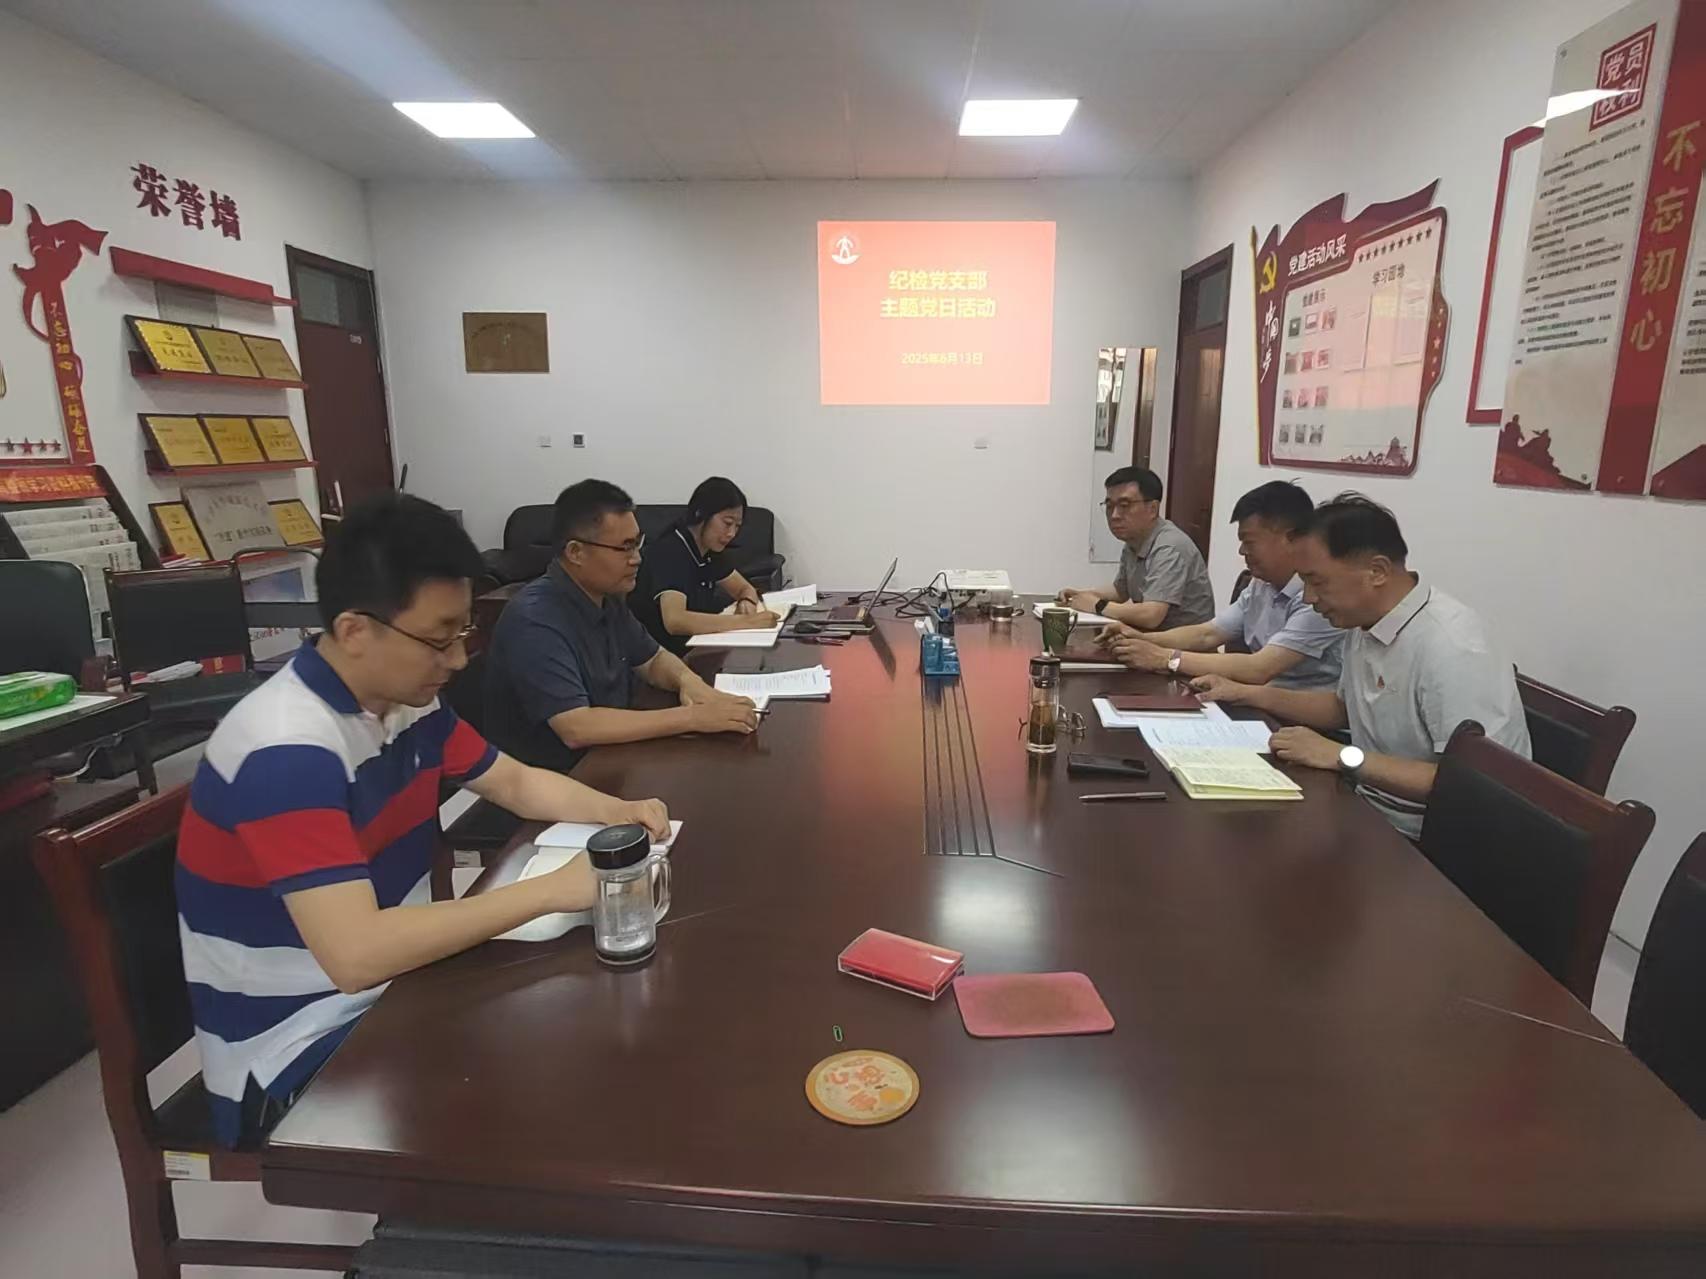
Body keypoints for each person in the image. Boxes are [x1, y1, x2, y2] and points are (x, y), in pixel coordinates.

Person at [176, 494, 670, 1147]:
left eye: (461, 634)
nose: (458, 660)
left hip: (399, 989)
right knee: (563, 1091)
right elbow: (357, 954)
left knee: (597, 1025)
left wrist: (620, 811)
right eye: (439, 639)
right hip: (297, 1045)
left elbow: (515, 782)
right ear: (355, 631)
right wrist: (554, 890)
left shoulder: (405, 702)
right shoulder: (285, 748)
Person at [1192, 493, 1530, 839]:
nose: (1308, 598)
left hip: (1436, 840)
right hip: (1369, 805)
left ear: (1377, 572)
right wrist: (1245, 694)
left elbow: (1475, 782)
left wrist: (1341, 756)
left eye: (1317, 581)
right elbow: (1343, 707)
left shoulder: (1453, 646)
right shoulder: (1363, 620)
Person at [483, 479, 758, 771]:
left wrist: (691, 684)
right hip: (552, 776)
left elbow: (653, 659)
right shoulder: (534, 619)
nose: (637, 559)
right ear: (576, 552)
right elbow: (577, 727)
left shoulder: (607, 597)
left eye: (637, 543)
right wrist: (692, 718)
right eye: (625, 548)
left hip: (609, 756)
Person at [1098, 480, 1344, 688]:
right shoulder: (1261, 585)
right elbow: (1208, 634)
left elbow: (1260, 668)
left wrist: (1165, 659)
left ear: (1289, 538)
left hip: (1300, 717)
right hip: (1261, 701)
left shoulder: (1317, 597)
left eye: (1249, 541)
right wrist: (1141, 638)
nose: (1241, 551)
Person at [631, 476, 779, 655]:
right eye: (727, 523)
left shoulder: (709, 550)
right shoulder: (672, 551)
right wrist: (748, 622)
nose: (732, 533)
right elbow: (675, 621)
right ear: (700, 514)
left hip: (697, 647)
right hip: (661, 657)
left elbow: (744, 588)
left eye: (737, 526)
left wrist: (746, 601)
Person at [1057, 465, 1215, 630]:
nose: (1115, 515)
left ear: (1152, 509)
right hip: (1152, 637)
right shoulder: (1135, 540)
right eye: (1109, 506)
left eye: (1125, 505)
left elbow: (1151, 616)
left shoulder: (1170, 547)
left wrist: (1097, 605)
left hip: (1183, 644)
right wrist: (1083, 595)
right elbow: (1120, 590)